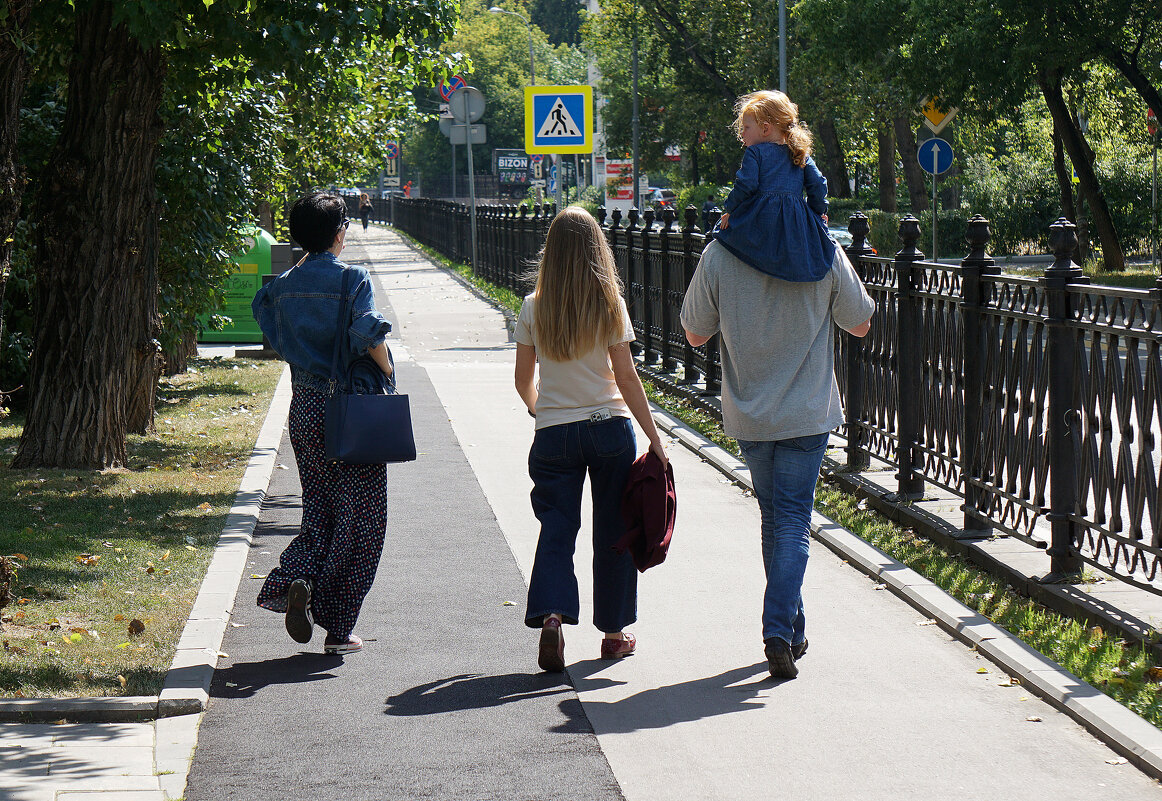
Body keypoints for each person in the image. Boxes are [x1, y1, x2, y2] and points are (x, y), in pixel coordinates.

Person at [681, 201, 875, 680]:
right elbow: (860, 322)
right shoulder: (822, 249)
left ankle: (792, 629)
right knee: (791, 521)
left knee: (774, 519)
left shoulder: (720, 255)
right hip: (806, 414)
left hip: (751, 415)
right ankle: (777, 630)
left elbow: (693, 333)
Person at [514, 206, 668, 673]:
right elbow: (626, 376)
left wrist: (546, 413)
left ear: (551, 252)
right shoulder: (609, 303)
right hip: (609, 431)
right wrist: (654, 437)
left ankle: (553, 617)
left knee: (557, 528)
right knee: (615, 532)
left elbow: (523, 382)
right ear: (597, 249)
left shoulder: (533, 305)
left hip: (555, 434)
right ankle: (615, 634)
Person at [250, 191, 394, 655]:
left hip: (307, 408)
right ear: (339, 232)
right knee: (364, 517)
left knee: (320, 508)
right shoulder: (353, 279)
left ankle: (297, 577)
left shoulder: (281, 286)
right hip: (351, 409)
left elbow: (269, 324)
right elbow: (367, 333)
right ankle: (338, 627)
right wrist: (387, 369)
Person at [713, 90, 836, 283]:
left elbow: (746, 185)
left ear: (765, 128)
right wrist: (817, 213)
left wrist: (730, 209)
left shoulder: (755, 153)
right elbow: (818, 186)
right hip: (795, 225)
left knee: (722, 234)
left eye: (746, 127)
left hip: (761, 220)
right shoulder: (800, 154)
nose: (741, 134)